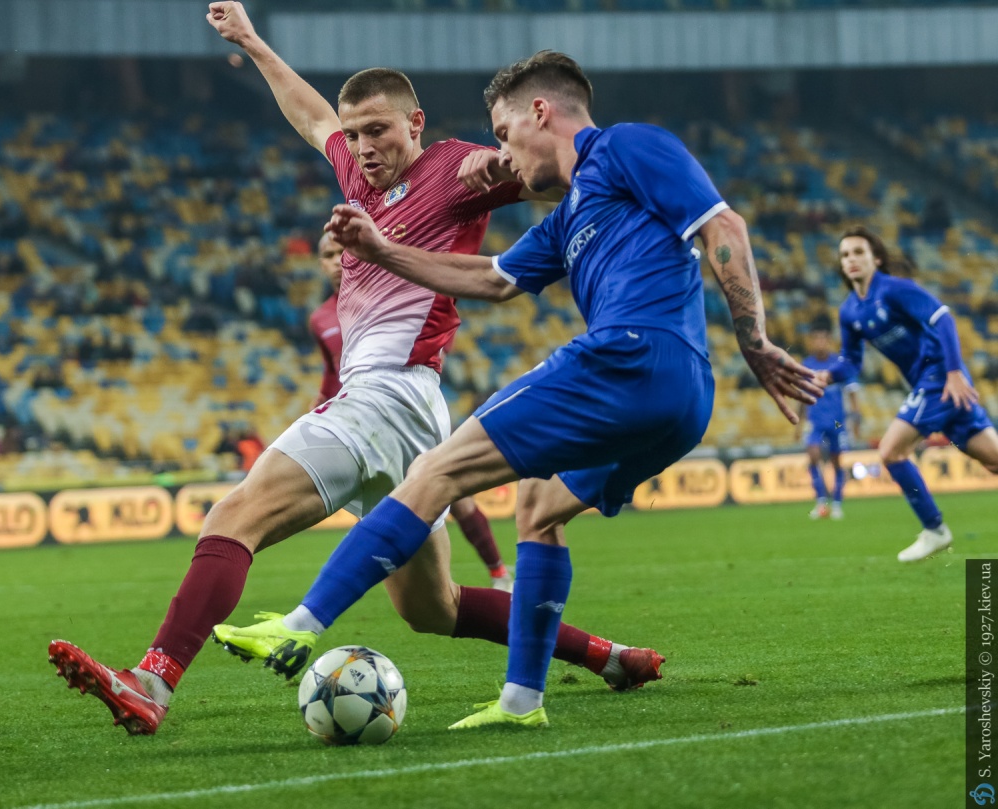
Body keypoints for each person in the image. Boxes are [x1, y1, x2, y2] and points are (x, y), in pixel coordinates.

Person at [46, 9, 662, 737]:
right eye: (356, 133)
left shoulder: (452, 167)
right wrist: (251, 42)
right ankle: (610, 657)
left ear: (415, 124)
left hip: (387, 394)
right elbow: (311, 117)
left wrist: (503, 164)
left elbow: (545, 171)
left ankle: (152, 680)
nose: (365, 147)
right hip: (411, 413)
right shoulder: (355, 172)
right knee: (434, 608)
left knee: (234, 517)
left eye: (379, 131)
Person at [304, 50, 819, 730]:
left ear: (540, 112)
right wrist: (380, 251)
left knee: (436, 468)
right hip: (682, 401)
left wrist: (755, 341)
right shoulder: (569, 213)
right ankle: (522, 702)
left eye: (504, 131)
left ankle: (301, 620)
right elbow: (490, 280)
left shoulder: (626, 146)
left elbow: (723, 225)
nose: (501, 151)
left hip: (629, 356)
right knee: (540, 505)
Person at [309, 231, 512, 589]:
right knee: (374, 508)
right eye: (328, 254)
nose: (338, 261)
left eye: (344, 250)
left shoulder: (393, 295)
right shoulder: (321, 319)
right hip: (358, 420)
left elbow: (438, 338)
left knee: (456, 496)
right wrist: (316, 412)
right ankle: (406, 585)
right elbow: (331, 372)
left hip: (410, 408)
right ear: (319, 263)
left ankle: (499, 575)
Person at [818, 225, 998, 561]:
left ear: (876, 258)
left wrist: (954, 372)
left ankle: (935, 529)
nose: (851, 259)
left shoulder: (894, 289)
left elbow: (943, 318)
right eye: (845, 255)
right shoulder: (850, 311)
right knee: (994, 460)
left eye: (858, 252)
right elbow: (851, 362)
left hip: (940, 376)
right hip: (930, 384)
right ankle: (935, 530)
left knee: (891, 452)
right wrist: (826, 376)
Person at [795, 316, 860, 520]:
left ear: (829, 340)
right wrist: (798, 423)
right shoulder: (807, 365)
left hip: (837, 421)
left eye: (823, 339)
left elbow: (852, 392)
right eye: (816, 339)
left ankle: (837, 503)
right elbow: (802, 397)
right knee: (813, 456)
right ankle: (821, 502)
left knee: (836, 461)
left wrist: (856, 418)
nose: (819, 343)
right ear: (811, 341)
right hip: (815, 421)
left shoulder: (838, 364)